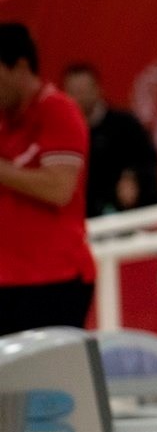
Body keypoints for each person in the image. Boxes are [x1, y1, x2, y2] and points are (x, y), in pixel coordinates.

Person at [0, 22, 94, 337]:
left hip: (54, 278)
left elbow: (59, 188)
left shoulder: (58, 111)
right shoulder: (5, 121)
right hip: (9, 278)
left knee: (49, 382)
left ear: (20, 67)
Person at [61, 62, 157, 217]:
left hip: (133, 216)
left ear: (97, 89)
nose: (77, 98)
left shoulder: (125, 124)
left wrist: (133, 177)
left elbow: (149, 162)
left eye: (82, 91)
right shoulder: (61, 135)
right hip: (87, 221)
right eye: (72, 92)